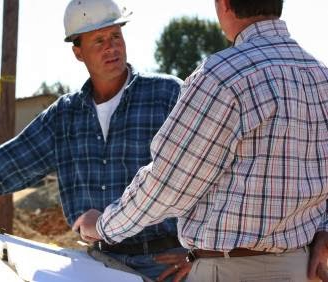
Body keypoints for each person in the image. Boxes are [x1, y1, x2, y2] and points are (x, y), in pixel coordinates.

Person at [0, 0, 185, 280]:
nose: (111, 47)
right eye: (98, 40)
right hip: (98, 263)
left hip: (165, 263)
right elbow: (4, 165)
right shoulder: (64, 116)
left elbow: (210, 172)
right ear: (78, 51)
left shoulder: (166, 95)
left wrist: (199, 252)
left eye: (115, 36)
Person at [73, 0, 328, 281]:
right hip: (301, 269)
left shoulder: (222, 75)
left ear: (225, 4)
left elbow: (168, 184)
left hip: (232, 272)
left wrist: (103, 226)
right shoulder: (320, 75)